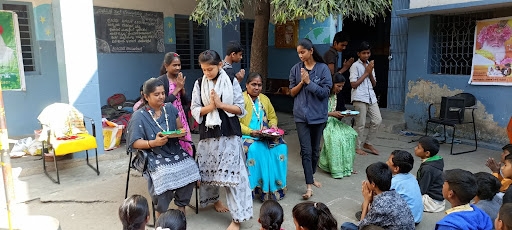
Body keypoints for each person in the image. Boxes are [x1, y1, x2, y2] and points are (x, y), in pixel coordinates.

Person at [191, 49, 253, 230]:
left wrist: (220, 105)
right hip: (208, 133)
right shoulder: (199, 83)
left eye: (210, 69)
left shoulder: (231, 80)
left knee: (235, 177)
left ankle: (237, 219)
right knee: (209, 173)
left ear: (219, 65)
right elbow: (195, 109)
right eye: (203, 69)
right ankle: (214, 201)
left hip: (229, 133)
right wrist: (210, 106)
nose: (206, 73)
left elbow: (240, 109)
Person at [126, 78, 200, 218]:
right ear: (146, 97)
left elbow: (180, 128)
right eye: (156, 94)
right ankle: (161, 212)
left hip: (174, 151)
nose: (161, 97)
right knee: (163, 175)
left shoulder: (170, 108)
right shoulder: (139, 116)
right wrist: (153, 143)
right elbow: (134, 143)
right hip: (152, 154)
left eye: (163, 93)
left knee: (191, 168)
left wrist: (181, 132)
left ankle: (181, 207)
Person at [289, 38, 332, 199]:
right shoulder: (295, 69)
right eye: (298, 53)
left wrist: (309, 82)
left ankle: (311, 175)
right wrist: (302, 82)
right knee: (306, 151)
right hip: (301, 116)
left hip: (318, 116)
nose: (300, 55)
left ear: (311, 51)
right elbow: (292, 92)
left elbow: (325, 93)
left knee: (315, 150)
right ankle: (308, 186)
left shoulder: (323, 69)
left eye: (303, 52)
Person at [239, 72, 288, 201]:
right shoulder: (240, 99)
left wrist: (273, 127)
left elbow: (272, 116)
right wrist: (251, 131)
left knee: (281, 147)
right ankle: (258, 189)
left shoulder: (264, 99)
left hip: (266, 135)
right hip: (246, 135)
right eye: (253, 84)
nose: (257, 88)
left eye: (259, 85)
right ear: (247, 85)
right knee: (256, 150)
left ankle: (276, 187)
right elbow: (235, 123)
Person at [341, 162, 415, 230]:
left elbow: (361, 227)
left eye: (367, 179)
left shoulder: (380, 204)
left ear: (373, 184)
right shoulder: (394, 194)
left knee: (346, 226)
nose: (365, 182)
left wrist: (366, 200)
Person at [318, 73, 358, 179]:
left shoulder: (338, 95)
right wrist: (332, 114)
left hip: (334, 121)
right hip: (322, 120)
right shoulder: (323, 93)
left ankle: (346, 166)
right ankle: (332, 167)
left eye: (342, 86)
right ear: (331, 84)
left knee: (350, 134)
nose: (340, 88)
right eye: (338, 86)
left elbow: (341, 109)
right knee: (336, 138)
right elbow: (317, 112)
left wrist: (345, 112)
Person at [157, 52, 193, 156]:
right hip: (169, 117)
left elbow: (185, 101)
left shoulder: (179, 78)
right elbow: (162, 102)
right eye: (174, 65)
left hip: (181, 115)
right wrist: (177, 88)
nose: (177, 68)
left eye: (179, 65)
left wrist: (182, 88)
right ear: (166, 66)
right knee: (174, 144)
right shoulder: (161, 81)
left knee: (187, 143)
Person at [349, 41, 382, 156]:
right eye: (364, 53)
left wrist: (370, 72)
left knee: (377, 120)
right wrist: (366, 72)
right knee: (360, 123)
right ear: (358, 54)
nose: (366, 55)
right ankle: (357, 146)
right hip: (359, 97)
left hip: (371, 97)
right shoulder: (355, 66)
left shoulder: (370, 65)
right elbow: (353, 84)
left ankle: (368, 143)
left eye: (368, 53)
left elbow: (374, 84)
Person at [385, 150, 423, 224]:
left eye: (388, 162)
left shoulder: (393, 182)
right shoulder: (412, 177)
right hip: (416, 218)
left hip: (404, 222)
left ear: (396, 169)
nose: (386, 163)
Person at [322, 31, 354, 112]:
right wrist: (346, 67)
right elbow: (331, 75)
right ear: (335, 43)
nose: (344, 48)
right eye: (342, 45)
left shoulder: (334, 53)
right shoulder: (331, 54)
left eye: (345, 46)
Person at [415, 136, 445, 213]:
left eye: (418, 147)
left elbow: (422, 190)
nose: (415, 148)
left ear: (427, 153)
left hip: (432, 203)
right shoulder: (436, 161)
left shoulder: (428, 169)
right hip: (438, 199)